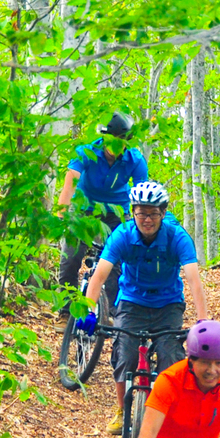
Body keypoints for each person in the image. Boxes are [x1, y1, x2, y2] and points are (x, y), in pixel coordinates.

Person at [76, 181, 208, 435]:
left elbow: (193, 279)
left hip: (167, 303)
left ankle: (171, 409)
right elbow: (100, 275)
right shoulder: (123, 235)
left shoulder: (177, 237)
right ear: (133, 211)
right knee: (124, 352)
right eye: (141, 212)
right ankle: (121, 410)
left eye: (153, 213)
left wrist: (202, 322)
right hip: (132, 302)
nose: (147, 219)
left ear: (163, 213)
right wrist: (89, 311)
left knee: (171, 356)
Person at [56, 112, 148, 310]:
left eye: (122, 141)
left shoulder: (135, 160)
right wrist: (61, 215)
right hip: (84, 211)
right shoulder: (87, 152)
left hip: (117, 213)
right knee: (70, 259)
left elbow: (142, 196)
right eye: (113, 140)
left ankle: (114, 312)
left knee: (117, 261)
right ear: (104, 138)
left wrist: (141, 226)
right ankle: (66, 310)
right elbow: (70, 180)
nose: (117, 146)